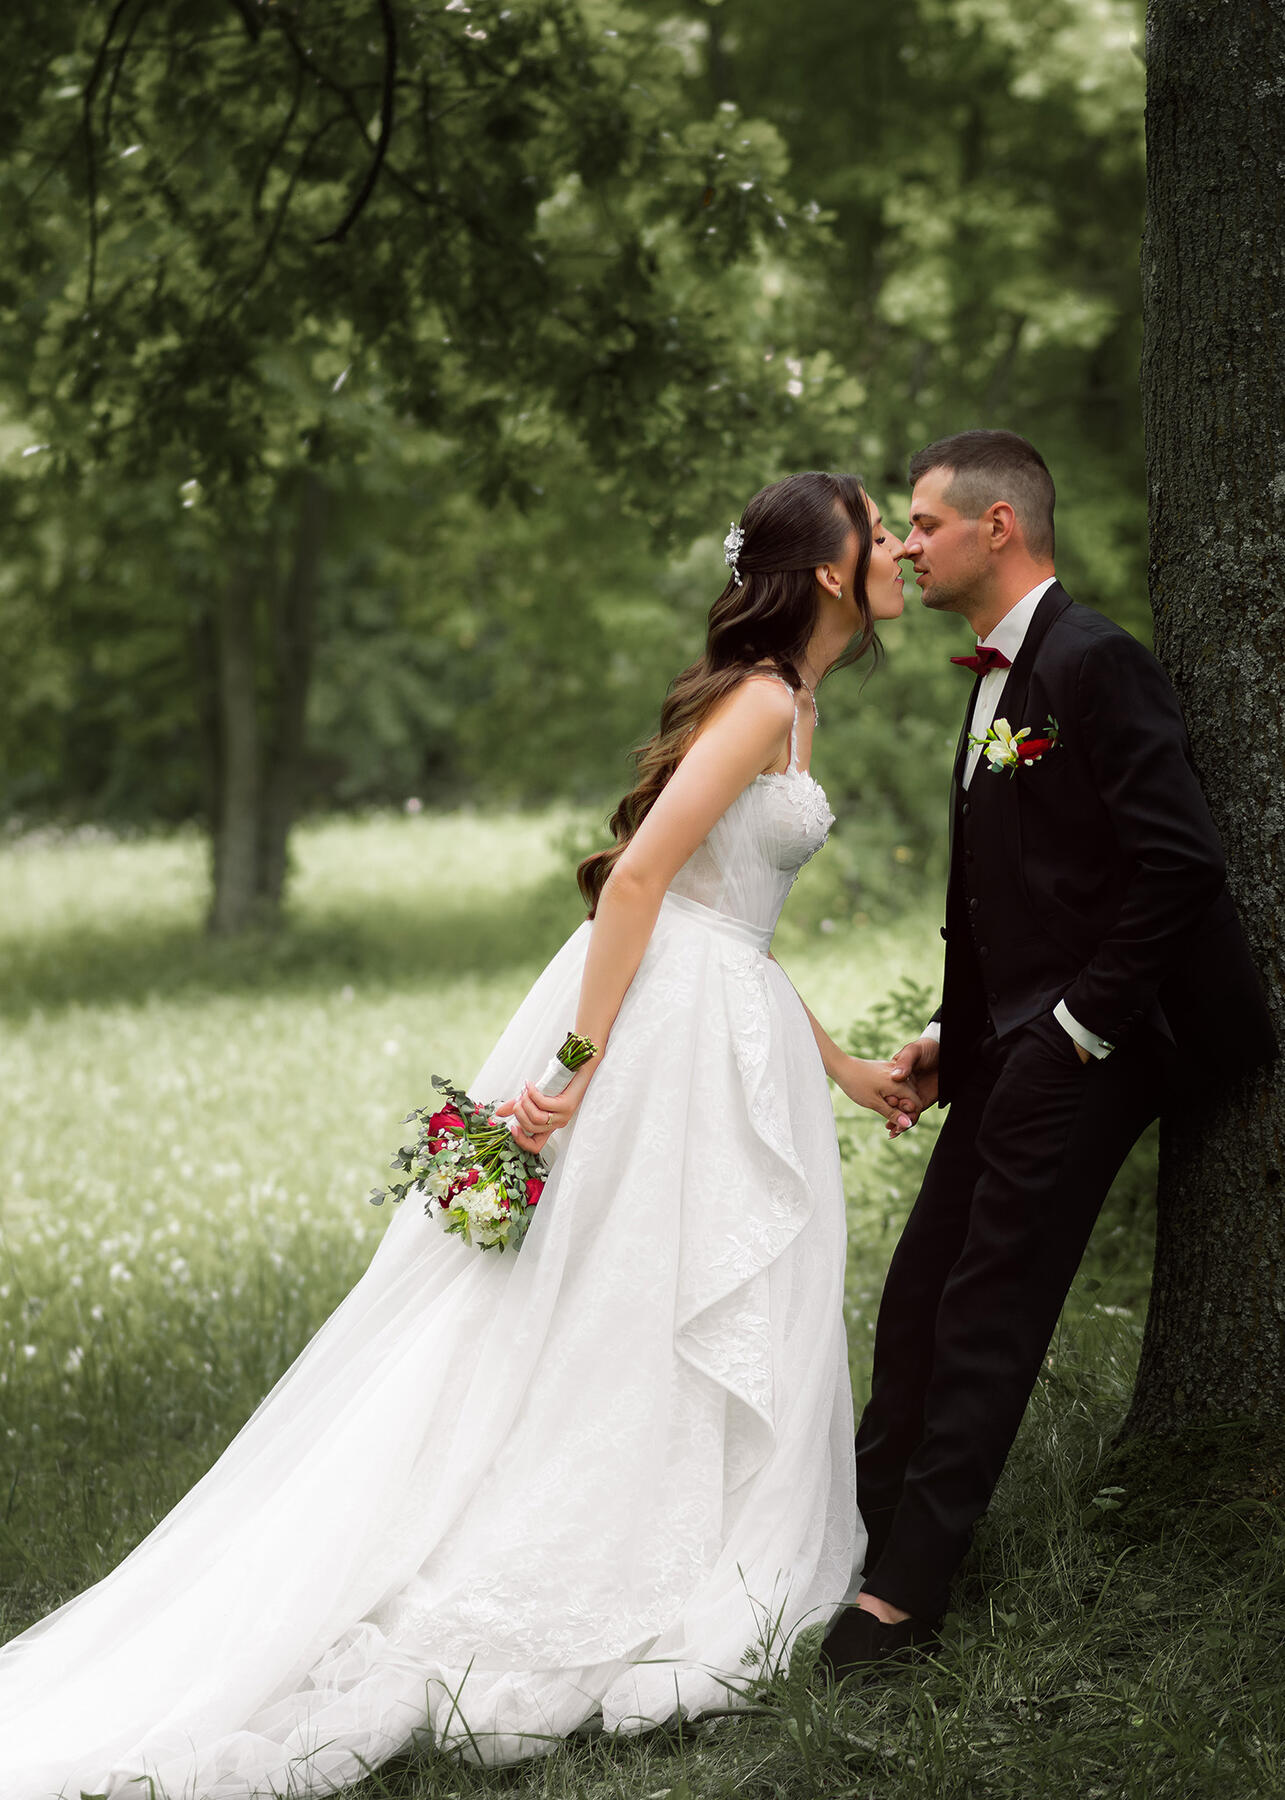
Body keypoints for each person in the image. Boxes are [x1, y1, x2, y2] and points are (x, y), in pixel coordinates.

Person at [0, 470, 917, 1798]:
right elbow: (645, 880)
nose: (896, 544)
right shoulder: (763, 699)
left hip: (725, 1020)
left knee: (666, 1296)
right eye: (879, 530)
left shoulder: (798, 702)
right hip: (652, 1037)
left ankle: (691, 1532)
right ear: (830, 569)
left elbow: (736, 922)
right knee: (604, 1301)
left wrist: (839, 1067)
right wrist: (578, 1067)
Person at [820, 429, 1275, 1678]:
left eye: (920, 524)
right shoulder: (993, 680)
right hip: (1013, 1043)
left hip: (1100, 1044)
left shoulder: (1093, 660)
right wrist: (948, 1040)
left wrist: (1077, 1030)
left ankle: (906, 1600)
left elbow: (1176, 863)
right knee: (917, 1292)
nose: (904, 547)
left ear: (996, 528)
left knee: (987, 1308)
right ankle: (853, 1539)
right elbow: (1022, 896)